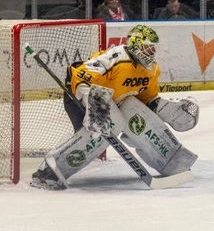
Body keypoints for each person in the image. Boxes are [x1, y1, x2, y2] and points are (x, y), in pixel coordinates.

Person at [30, 25, 199, 190]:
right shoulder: (116, 57)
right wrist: (93, 102)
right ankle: (49, 172)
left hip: (114, 100)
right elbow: (80, 75)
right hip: (81, 96)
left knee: (134, 112)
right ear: (136, 45)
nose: (152, 53)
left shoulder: (152, 69)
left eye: (153, 49)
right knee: (110, 124)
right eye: (148, 48)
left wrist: (167, 110)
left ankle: (172, 161)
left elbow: (147, 99)